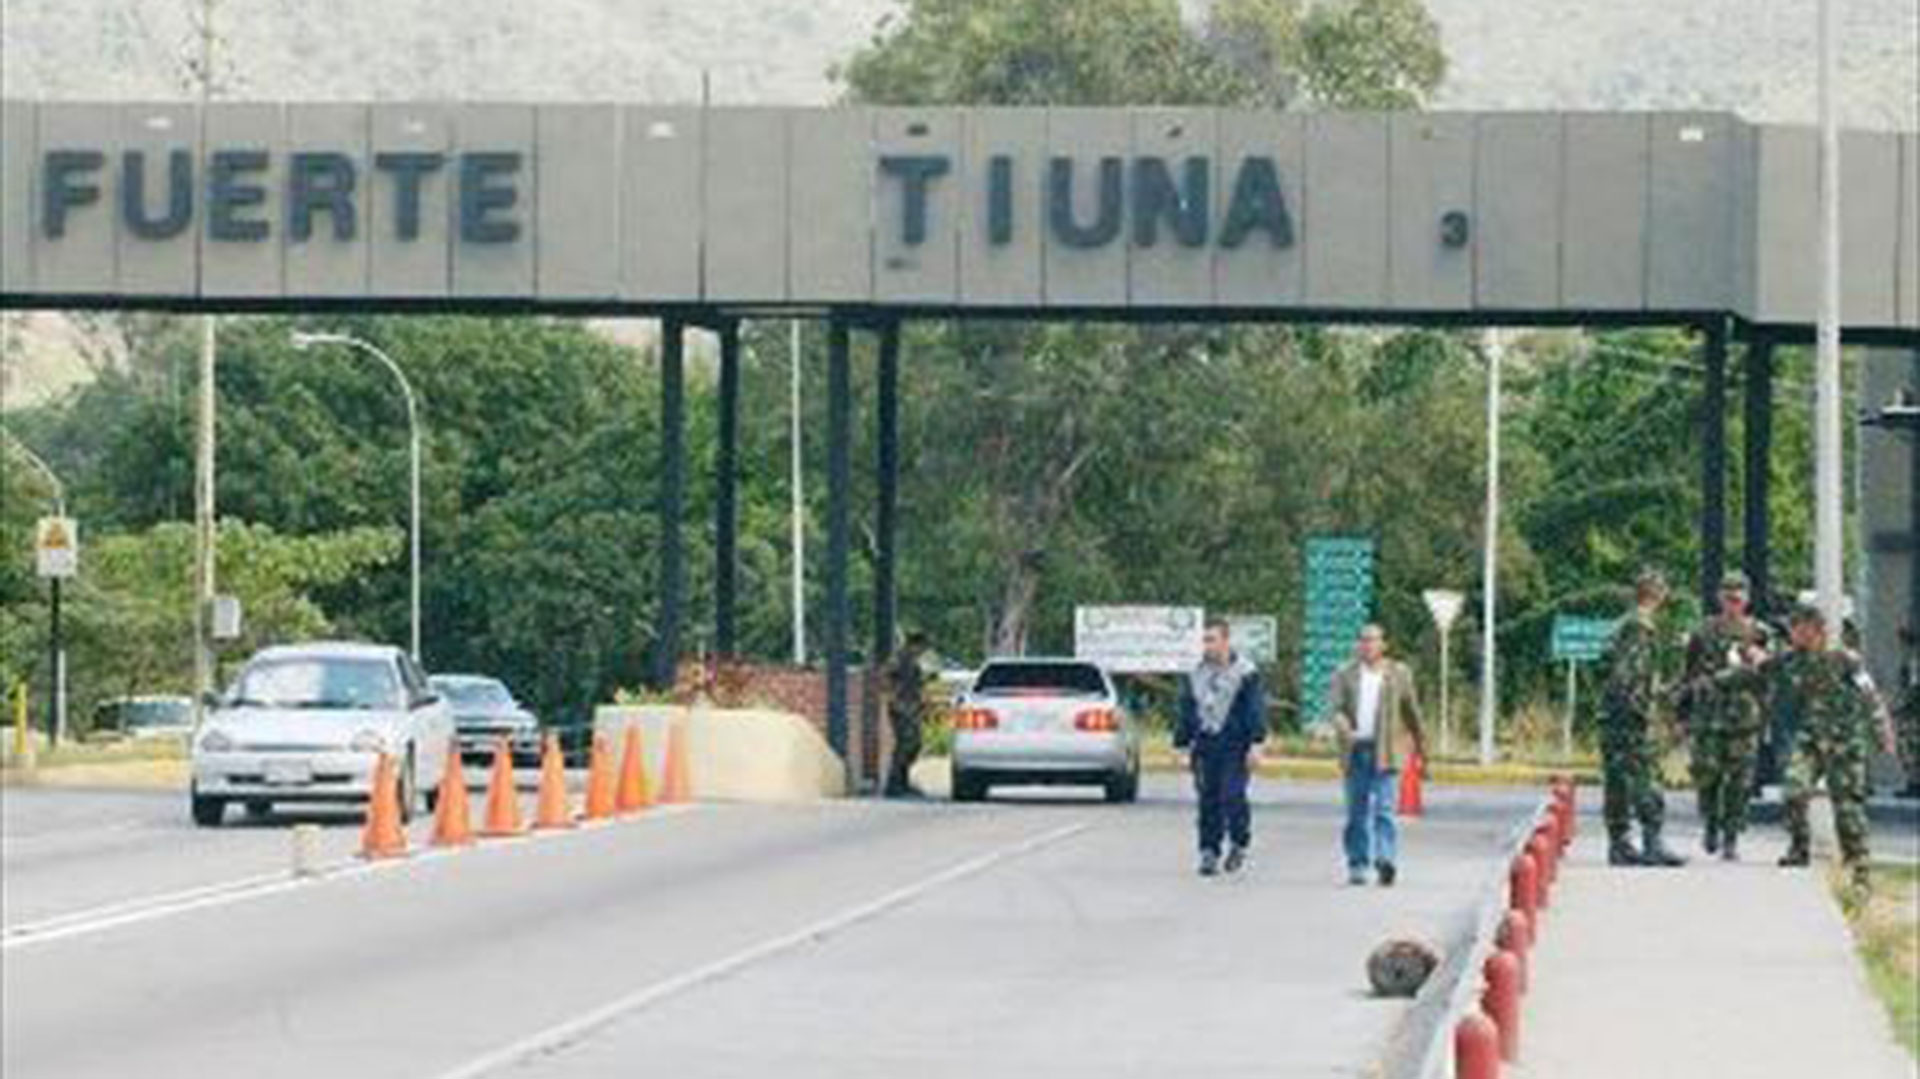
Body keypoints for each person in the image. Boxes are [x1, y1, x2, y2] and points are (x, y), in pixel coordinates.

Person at [1725, 603, 1896, 892]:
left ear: (1816, 631)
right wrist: (1739, 659)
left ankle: (1860, 870)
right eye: (1792, 629)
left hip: (1845, 742)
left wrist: (1883, 732)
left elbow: (1871, 697)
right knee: (1793, 788)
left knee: (1847, 807)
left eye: (1798, 629)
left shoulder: (1845, 660)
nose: (1793, 635)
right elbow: (1759, 668)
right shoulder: (1791, 660)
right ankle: (1799, 847)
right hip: (1811, 739)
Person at [1681, 571, 1772, 861]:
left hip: (1745, 718)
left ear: (1746, 599)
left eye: (1738, 596)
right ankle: (1710, 823)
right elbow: (1690, 672)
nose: (1733, 601)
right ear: (1719, 597)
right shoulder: (1703, 631)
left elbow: (1772, 675)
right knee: (1707, 775)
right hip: (1709, 716)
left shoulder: (1761, 632)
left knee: (1740, 781)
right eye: (1728, 595)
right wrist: (1683, 713)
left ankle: (1731, 836)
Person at [1598, 570, 1686, 867]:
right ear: (1659, 594)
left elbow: (1614, 671)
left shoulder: (1621, 624)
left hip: (1610, 714)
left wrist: (1659, 689)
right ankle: (1652, 841)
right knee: (1646, 777)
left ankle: (1619, 843)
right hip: (1630, 718)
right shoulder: (1640, 626)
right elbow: (1630, 676)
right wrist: (1642, 711)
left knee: (1616, 780)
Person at [1328, 623, 1427, 887]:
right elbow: (1335, 708)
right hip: (1356, 750)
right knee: (1356, 813)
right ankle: (1358, 863)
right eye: (1362, 640)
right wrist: (1342, 724)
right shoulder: (1344, 673)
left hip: (1388, 751)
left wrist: (1421, 747)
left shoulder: (1399, 674)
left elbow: (1412, 712)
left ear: (1383, 645)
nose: (1367, 645)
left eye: (1373, 640)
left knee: (1385, 810)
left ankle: (1385, 860)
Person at [1175, 618, 1266, 877]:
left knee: (1232, 795)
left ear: (1226, 641)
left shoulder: (1246, 672)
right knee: (1208, 798)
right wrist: (1182, 745)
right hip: (1206, 742)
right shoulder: (1195, 672)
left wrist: (1256, 744)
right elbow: (1186, 708)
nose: (1207, 645)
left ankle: (1239, 841)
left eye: (1212, 639)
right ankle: (1209, 851)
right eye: (1204, 640)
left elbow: (1255, 709)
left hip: (1235, 744)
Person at [882, 630, 932, 798]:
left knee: (914, 745)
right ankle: (894, 784)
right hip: (901, 708)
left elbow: (917, 686)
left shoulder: (912, 662)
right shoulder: (899, 659)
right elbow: (887, 678)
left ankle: (903, 781)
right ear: (914, 645)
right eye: (922, 647)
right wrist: (894, 699)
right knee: (905, 745)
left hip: (912, 708)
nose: (923, 651)